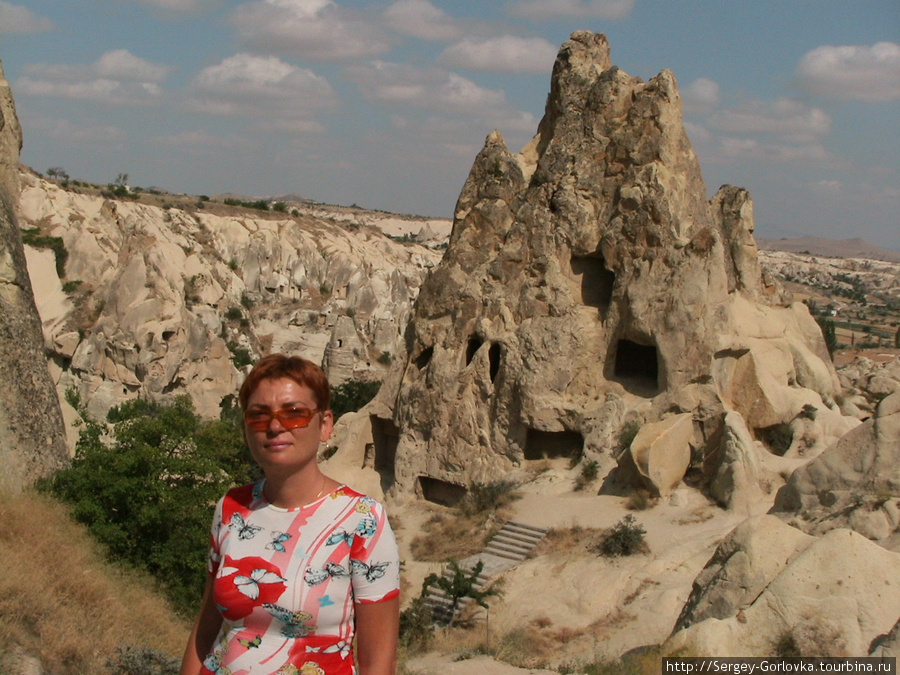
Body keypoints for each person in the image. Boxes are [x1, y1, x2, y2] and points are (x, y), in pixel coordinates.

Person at [180, 354, 400, 675]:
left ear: (325, 425)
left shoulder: (363, 520)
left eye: (295, 414)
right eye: (258, 416)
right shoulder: (231, 508)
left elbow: (378, 661)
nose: (275, 426)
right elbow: (206, 626)